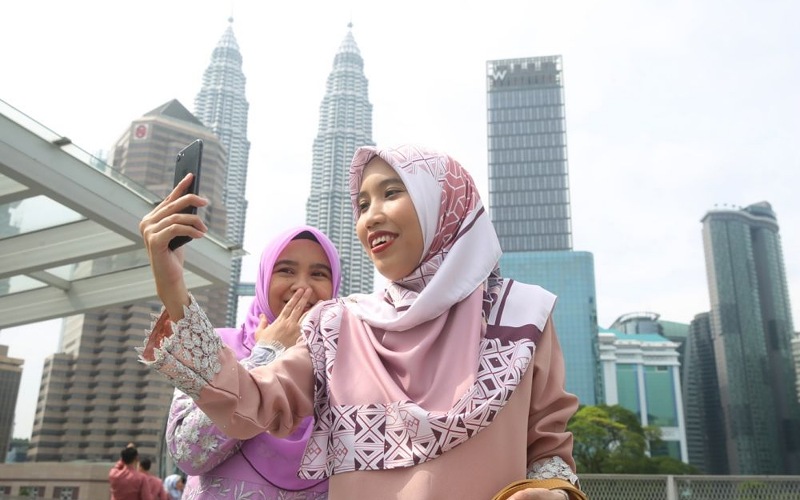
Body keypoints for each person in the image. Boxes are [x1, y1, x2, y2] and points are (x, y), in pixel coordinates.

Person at [139, 144, 585, 499]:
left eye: (391, 193)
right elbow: (249, 403)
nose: (370, 216)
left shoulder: (522, 317)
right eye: (362, 202)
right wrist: (173, 289)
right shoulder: (340, 325)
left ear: (444, 205)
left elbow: (548, 451)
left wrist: (549, 493)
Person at [163, 226, 339, 498]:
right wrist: (269, 353)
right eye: (286, 270)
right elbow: (188, 451)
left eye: (318, 274)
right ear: (264, 279)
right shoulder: (219, 346)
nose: (302, 286)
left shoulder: (346, 368)